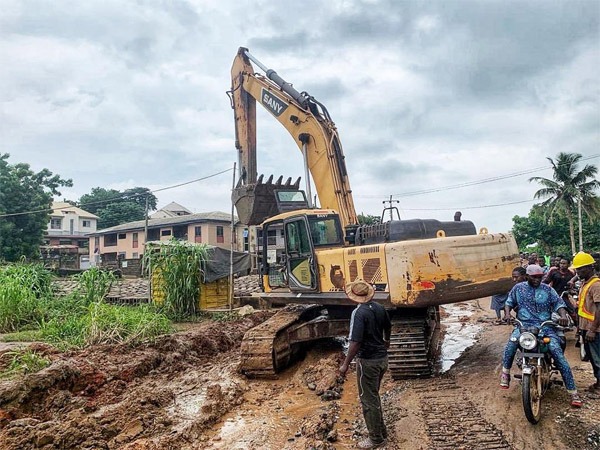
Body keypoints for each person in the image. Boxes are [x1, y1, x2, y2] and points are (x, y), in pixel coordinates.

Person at [499, 264, 583, 407]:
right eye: (534, 277)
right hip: (523, 326)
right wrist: (507, 314)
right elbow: (508, 303)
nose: (537, 280)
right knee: (512, 343)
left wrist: (563, 316)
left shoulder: (548, 290)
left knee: (558, 354)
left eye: (540, 277)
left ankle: (573, 392)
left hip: (545, 327)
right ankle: (505, 373)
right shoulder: (518, 288)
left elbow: (559, 304)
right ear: (527, 276)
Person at [339, 279, 392, 449]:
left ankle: (376, 439)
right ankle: (381, 430)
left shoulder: (359, 313)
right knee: (373, 395)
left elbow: (355, 342)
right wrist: (386, 341)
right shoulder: (380, 308)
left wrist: (346, 364)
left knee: (368, 400)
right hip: (382, 359)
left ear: (353, 296)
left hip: (368, 362)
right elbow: (388, 325)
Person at [572, 252, 600, 392]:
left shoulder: (596, 285)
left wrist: (592, 329)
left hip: (593, 329)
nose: (577, 272)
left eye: (580, 269)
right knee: (592, 358)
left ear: (589, 267)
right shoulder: (585, 283)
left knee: (597, 358)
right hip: (586, 328)